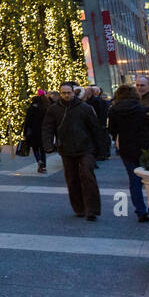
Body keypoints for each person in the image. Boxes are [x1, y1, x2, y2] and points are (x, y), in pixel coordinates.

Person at [41, 81, 107, 221]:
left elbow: (95, 128)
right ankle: (79, 208)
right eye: (63, 93)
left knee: (87, 176)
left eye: (68, 93)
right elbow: (47, 128)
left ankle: (92, 209)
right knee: (72, 179)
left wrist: (101, 149)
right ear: (60, 94)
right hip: (66, 148)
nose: (66, 95)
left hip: (85, 147)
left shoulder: (84, 108)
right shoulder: (54, 109)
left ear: (74, 93)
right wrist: (48, 144)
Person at [107, 84, 149, 223]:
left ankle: (140, 211)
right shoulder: (142, 109)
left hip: (126, 148)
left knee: (134, 181)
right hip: (145, 147)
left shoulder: (114, 110)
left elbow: (111, 130)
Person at [24, 92, 50, 174]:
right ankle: (44, 166)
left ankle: (39, 161)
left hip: (33, 131)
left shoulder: (32, 107)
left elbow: (27, 121)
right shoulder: (46, 106)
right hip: (43, 130)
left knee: (35, 148)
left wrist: (25, 131)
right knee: (42, 149)